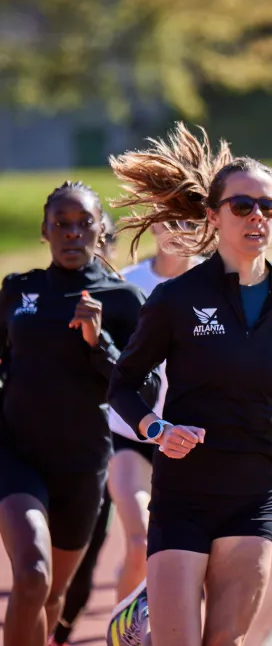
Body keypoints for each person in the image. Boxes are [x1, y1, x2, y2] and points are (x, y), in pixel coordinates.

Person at [107, 122, 272, 646]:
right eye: (243, 206)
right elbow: (123, 384)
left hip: (253, 492)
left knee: (226, 642)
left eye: (270, 206)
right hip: (182, 493)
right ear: (214, 216)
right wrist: (155, 428)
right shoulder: (174, 299)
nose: (258, 217)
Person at [0, 181, 159, 646]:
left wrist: (99, 342)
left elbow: (144, 388)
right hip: (16, 455)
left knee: (53, 598)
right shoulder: (16, 291)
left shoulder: (125, 301)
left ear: (100, 230)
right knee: (31, 575)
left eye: (83, 224)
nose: (72, 234)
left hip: (82, 464)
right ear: (45, 232)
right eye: (61, 225)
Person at [107, 221, 201, 602]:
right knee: (139, 542)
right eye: (170, 220)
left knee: (195, 556)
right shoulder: (126, 284)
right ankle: (123, 634)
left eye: (190, 221)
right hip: (133, 434)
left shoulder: (220, 284)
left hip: (194, 438)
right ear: (154, 224)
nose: (179, 230)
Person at [50, 210, 119, 646]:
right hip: (75, 441)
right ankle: (56, 619)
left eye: (105, 235)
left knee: (109, 538)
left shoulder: (125, 295)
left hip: (125, 442)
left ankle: (67, 627)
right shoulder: (47, 293)